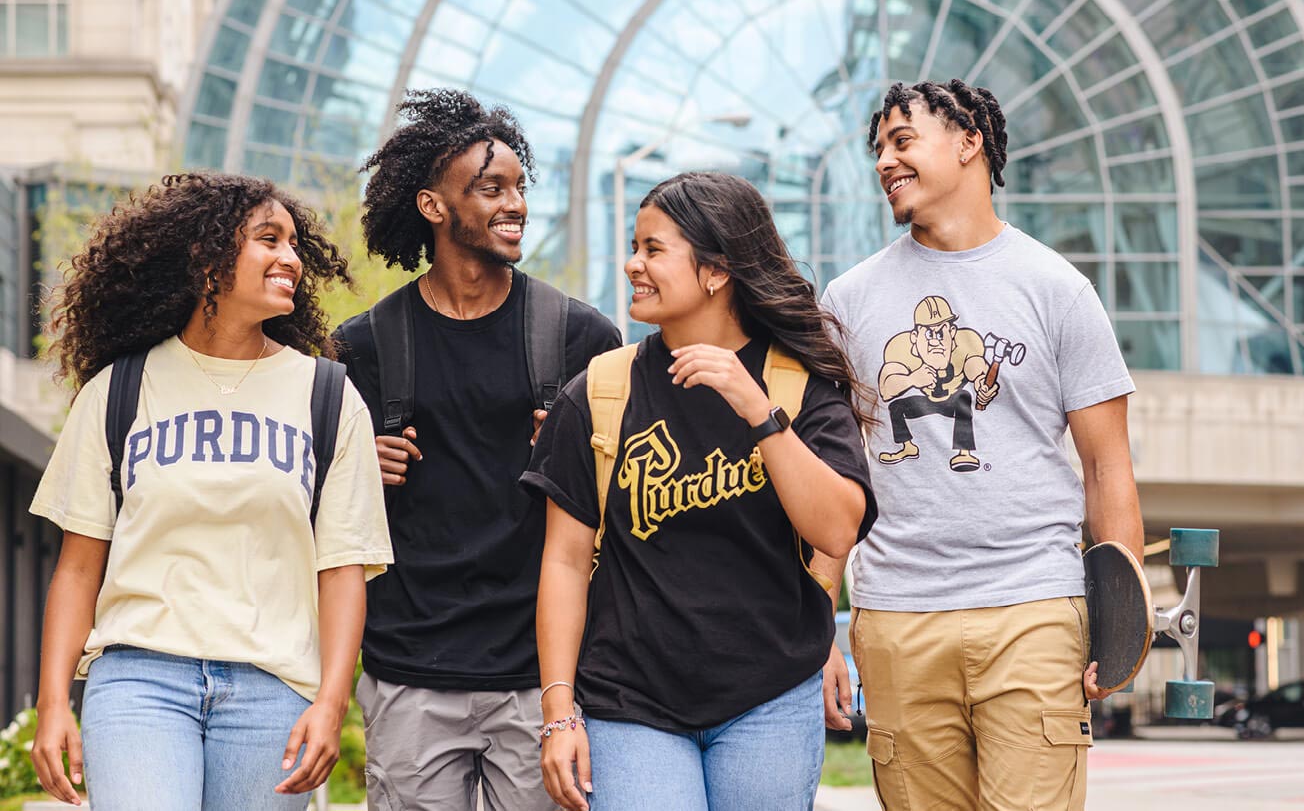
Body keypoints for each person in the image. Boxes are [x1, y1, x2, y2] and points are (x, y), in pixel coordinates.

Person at [818, 79, 1143, 810]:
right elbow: (834, 480)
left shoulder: (1056, 289)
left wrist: (1121, 624)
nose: (884, 162)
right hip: (896, 617)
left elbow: (1106, 465)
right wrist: (820, 631)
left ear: (970, 143)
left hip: (1032, 606)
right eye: (878, 150)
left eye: (903, 142)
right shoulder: (847, 300)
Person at [28, 173, 392, 809]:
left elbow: (341, 571)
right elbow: (79, 568)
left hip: (273, 687)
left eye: (295, 243)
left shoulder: (328, 396)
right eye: (267, 239)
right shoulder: (118, 391)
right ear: (207, 257)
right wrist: (53, 702)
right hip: (140, 677)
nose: (291, 258)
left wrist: (332, 703)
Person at [523, 172, 877, 811]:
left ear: (716, 271)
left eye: (653, 249)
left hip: (768, 698)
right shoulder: (602, 390)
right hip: (628, 702)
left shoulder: (797, 382)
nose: (633, 264)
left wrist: (756, 408)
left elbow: (836, 530)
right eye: (635, 246)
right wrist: (558, 710)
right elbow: (565, 561)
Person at [333, 89, 619, 809]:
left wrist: (571, 455)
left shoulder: (581, 339)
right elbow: (319, 511)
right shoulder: (364, 347)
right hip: (409, 674)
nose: (515, 203)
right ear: (433, 207)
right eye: (491, 188)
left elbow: (622, 503)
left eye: (520, 187)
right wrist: (355, 467)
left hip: (539, 676)